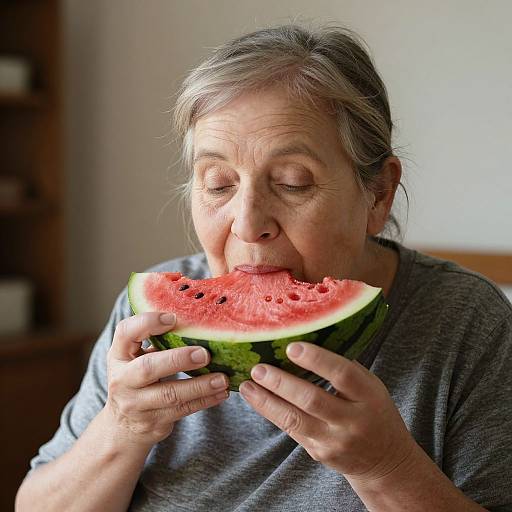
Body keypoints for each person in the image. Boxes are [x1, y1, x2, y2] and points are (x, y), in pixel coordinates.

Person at [16, 24, 512, 512]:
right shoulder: (146, 321)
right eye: (218, 183)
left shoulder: (465, 323)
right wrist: (120, 430)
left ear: (378, 193)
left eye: (293, 183)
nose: (249, 225)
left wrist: (386, 468)